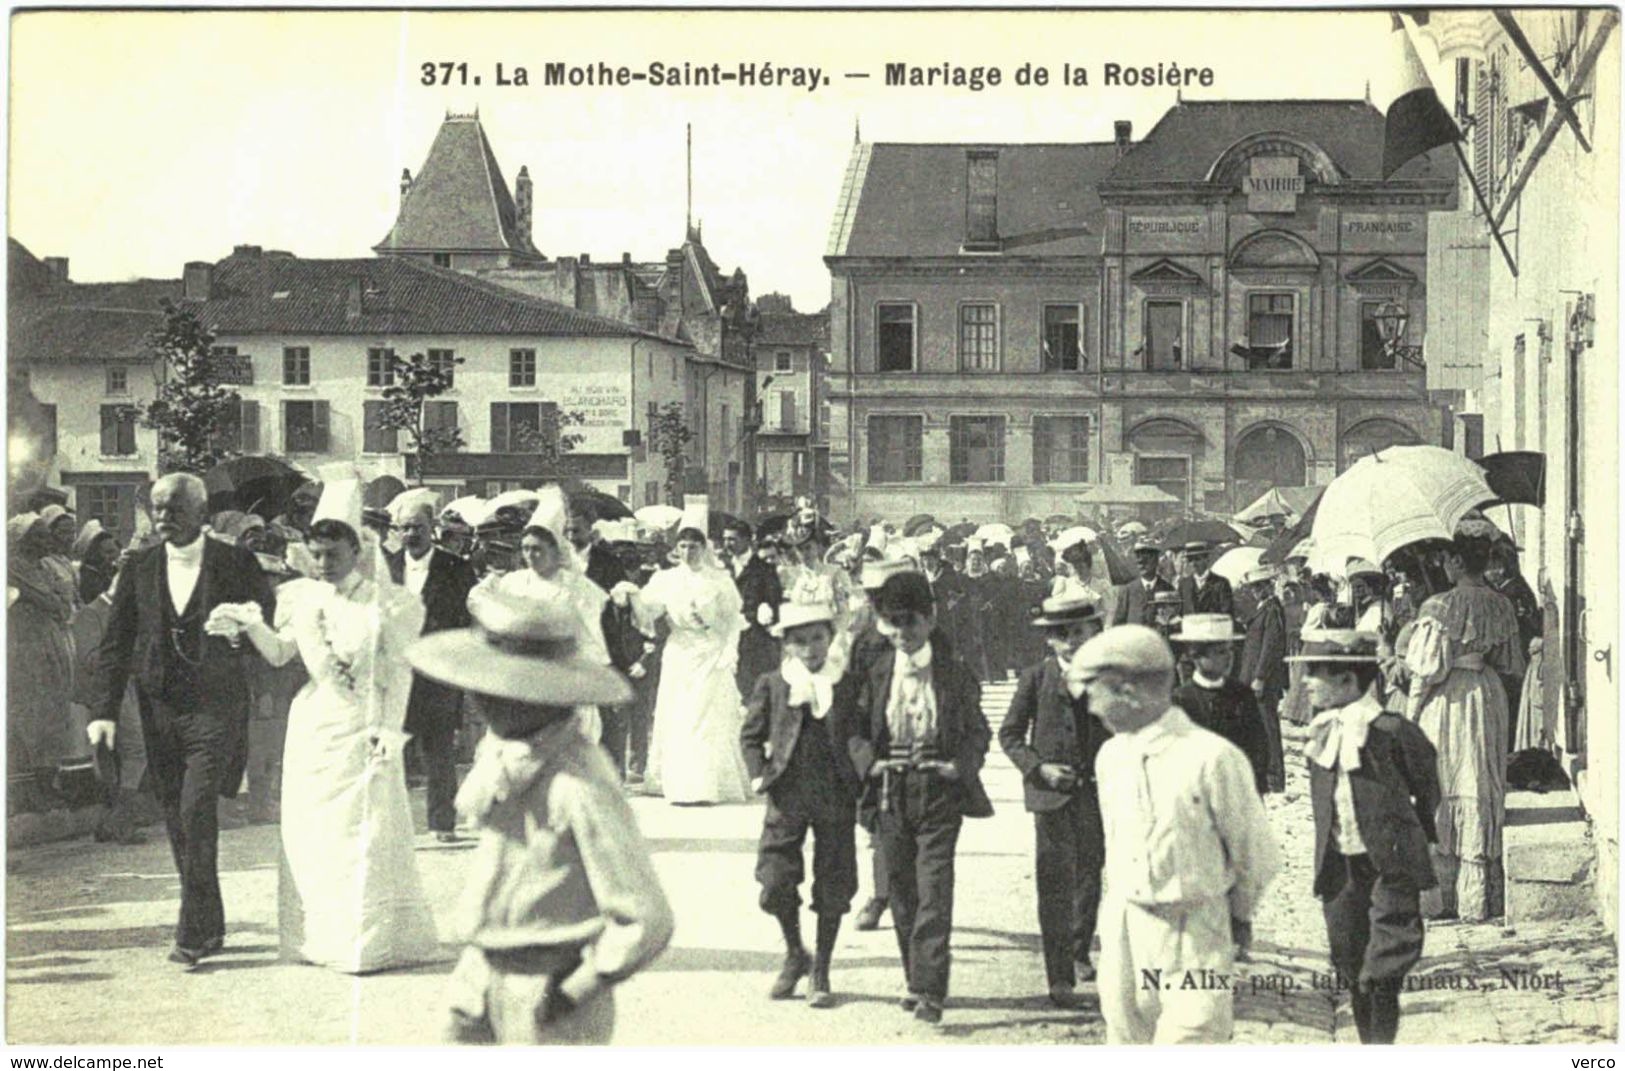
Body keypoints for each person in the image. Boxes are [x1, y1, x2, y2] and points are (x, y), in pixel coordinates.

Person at [407, 592, 673, 1044]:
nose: (480, 704)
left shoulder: (578, 784)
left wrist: (578, 987)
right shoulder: (505, 754)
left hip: (550, 981)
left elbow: (646, 916)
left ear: (541, 696)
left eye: (497, 693)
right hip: (482, 967)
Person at [212, 478, 439, 973]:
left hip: (366, 726)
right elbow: (280, 655)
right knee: (317, 836)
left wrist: (390, 731)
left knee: (366, 833)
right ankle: (322, 937)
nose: (323, 564)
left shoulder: (386, 605)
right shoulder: (302, 599)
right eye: (316, 554)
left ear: (357, 550)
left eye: (333, 554)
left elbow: (399, 674)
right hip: (315, 727)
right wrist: (249, 624)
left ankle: (367, 941)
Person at [86, 473, 274, 967]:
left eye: (174, 508)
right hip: (160, 707)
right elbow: (115, 643)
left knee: (196, 809)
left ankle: (191, 932)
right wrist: (103, 711)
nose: (163, 517)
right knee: (176, 815)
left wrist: (240, 632)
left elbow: (267, 621)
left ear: (201, 512)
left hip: (215, 707)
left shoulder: (236, 561)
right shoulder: (140, 566)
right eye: (157, 508)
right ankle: (209, 922)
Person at [1076, 625, 1277, 1044]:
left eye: (1096, 690)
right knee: (1126, 1040)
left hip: (1194, 929)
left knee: (1191, 1040)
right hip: (1125, 927)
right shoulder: (1111, 757)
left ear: (1129, 691)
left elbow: (1255, 855)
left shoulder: (1212, 758)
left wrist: (1237, 915)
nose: (1090, 705)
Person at [836, 571, 992, 1027]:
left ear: (931, 619)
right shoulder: (875, 671)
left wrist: (958, 766)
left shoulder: (955, 673)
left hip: (938, 793)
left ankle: (930, 989)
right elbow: (853, 729)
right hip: (890, 792)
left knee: (934, 891)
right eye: (893, 622)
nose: (902, 632)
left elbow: (978, 732)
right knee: (902, 893)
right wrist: (870, 763)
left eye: (911, 621)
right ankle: (914, 977)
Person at [1297, 630, 1440, 1044]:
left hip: (1388, 868)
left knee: (1383, 968)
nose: (1306, 682)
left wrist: (1412, 838)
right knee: (1351, 964)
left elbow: (1427, 784)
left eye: (1315, 673)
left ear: (1347, 680)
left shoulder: (1391, 732)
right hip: (1340, 869)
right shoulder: (1322, 733)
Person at [741, 601, 861, 1008]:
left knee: (834, 881)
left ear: (830, 638)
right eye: (800, 641)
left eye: (817, 638)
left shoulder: (847, 683)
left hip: (834, 793)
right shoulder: (774, 683)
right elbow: (750, 735)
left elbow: (862, 733)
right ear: (787, 645)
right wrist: (759, 773)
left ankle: (821, 967)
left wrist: (862, 775)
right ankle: (795, 952)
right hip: (787, 792)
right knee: (775, 879)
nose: (810, 649)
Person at [1404, 533, 1525, 922]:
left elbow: (1426, 672)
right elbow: (1509, 663)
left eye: (1446, 559)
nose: (1443, 566)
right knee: (1478, 780)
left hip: (1449, 699)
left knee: (1445, 780)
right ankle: (1478, 897)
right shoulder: (1500, 604)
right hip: (1486, 694)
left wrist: (1410, 714)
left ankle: (1443, 897)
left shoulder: (1439, 606)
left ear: (1457, 562)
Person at [998, 593, 1109, 1008]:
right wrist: (1039, 768)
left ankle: (1079, 949)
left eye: (1079, 632)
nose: (1072, 641)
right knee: (1055, 884)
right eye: (1062, 634)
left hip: (1096, 794)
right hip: (1051, 797)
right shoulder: (1035, 678)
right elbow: (1010, 735)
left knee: (1090, 876)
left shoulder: (1108, 678)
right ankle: (1059, 975)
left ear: (1095, 632)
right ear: (1049, 639)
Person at [614, 499, 751, 805]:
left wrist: (730, 651)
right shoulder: (667, 579)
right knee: (679, 716)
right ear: (677, 549)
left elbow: (732, 621)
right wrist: (632, 594)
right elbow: (648, 613)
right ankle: (680, 783)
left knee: (705, 718)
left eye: (694, 546)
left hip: (711, 652)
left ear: (705, 547)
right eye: (684, 546)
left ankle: (704, 785)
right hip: (679, 652)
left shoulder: (720, 581)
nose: (689, 552)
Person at [478, 490, 615, 746]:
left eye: (538, 549)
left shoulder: (577, 587)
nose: (531, 556)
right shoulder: (512, 582)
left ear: (555, 549)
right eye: (526, 549)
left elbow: (590, 634)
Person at [387, 492, 477, 841]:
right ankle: (393, 826)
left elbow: (468, 619)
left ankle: (442, 823)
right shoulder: (387, 566)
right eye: (406, 528)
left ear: (432, 528)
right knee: (391, 749)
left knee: (438, 750)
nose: (412, 534)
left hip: (439, 672)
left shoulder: (455, 568)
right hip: (396, 671)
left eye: (418, 527)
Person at [9, 511, 81, 809]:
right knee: (30, 715)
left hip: (51, 644)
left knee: (54, 712)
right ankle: (32, 788)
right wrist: (49, 602)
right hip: (24, 649)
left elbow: (62, 605)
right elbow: (44, 601)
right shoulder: (11, 568)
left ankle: (48, 781)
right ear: (22, 540)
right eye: (38, 536)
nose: (46, 541)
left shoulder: (45, 567)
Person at [568, 505, 642, 775]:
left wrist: (620, 601)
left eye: (577, 530)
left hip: (603, 644)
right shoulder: (559, 561)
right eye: (567, 531)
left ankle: (612, 775)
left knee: (608, 713)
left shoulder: (608, 562)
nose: (571, 536)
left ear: (590, 531)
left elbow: (622, 607)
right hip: (570, 645)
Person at [1171, 614, 1273, 795]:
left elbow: (1258, 747)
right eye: (1220, 652)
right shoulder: (1181, 700)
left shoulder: (1242, 696)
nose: (1228, 657)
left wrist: (1253, 790)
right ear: (1197, 656)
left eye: (1230, 650)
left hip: (1236, 793)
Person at [1236, 566, 1288, 793]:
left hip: (1263, 681)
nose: (1256, 591)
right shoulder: (1263, 609)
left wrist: (1260, 677)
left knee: (1268, 728)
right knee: (1258, 727)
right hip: (1253, 677)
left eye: (1259, 587)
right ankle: (1265, 773)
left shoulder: (1272, 609)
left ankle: (1275, 778)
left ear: (1269, 586)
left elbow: (1271, 647)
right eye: (1253, 588)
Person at [724, 518, 785, 701]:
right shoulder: (721, 567)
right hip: (724, 636)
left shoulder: (764, 569)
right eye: (725, 539)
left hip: (753, 640)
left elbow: (775, 602)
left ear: (746, 540)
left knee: (751, 691)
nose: (727, 544)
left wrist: (766, 610)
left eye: (732, 539)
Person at [1113, 541, 1174, 627]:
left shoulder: (1168, 589)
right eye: (1139, 562)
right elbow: (1118, 625)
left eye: (1146, 561)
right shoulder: (1128, 591)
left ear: (1156, 561)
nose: (1142, 566)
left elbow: (1174, 623)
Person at [1177, 542, 1234, 621]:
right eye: (1190, 560)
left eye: (1197, 559)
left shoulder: (1221, 583)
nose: (1194, 564)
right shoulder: (1184, 584)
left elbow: (1227, 613)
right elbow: (1180, 613)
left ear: (1206, 559)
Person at [74, 519, 120, 604]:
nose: (113, 557)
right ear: (95, 555)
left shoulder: (113, 570)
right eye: (108, 552)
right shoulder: (88, 576)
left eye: (114, 551)